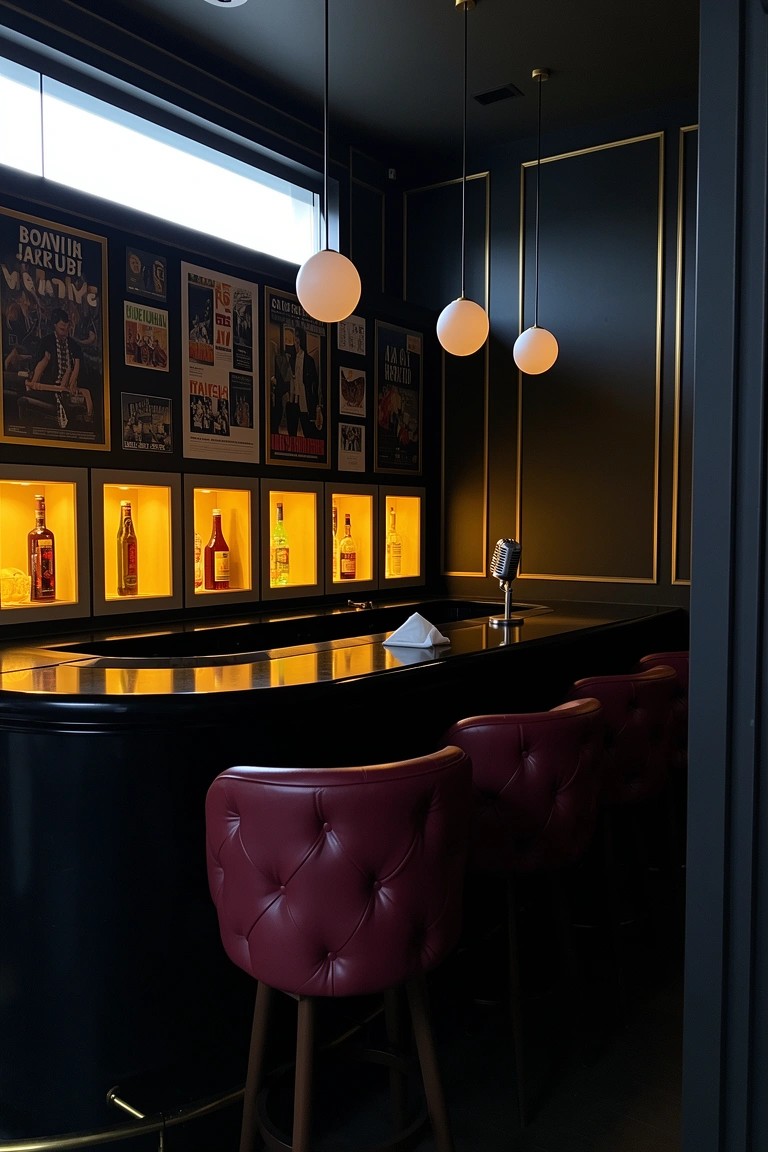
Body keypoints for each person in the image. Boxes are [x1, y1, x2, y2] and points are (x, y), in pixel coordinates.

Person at [19, 307, 93, 424]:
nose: (65, 332)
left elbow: (76, 367)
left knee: (87, 394)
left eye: (67, 328)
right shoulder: (45, 342)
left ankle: (88, 419)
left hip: (68, 386)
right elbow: (37, 366)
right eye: (62, 329)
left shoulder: (74, 345)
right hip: (49, 386)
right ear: (55, 326)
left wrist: (72, 384)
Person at [288, 325, 322, 438]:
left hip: (304, 398)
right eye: (294, 337)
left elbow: (314, 383)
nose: (296, 340)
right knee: (292, 429)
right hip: (293, 397)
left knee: (307, 428)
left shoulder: (308, 361)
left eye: (297, 337)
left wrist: (316, 402)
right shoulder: (291, 358)